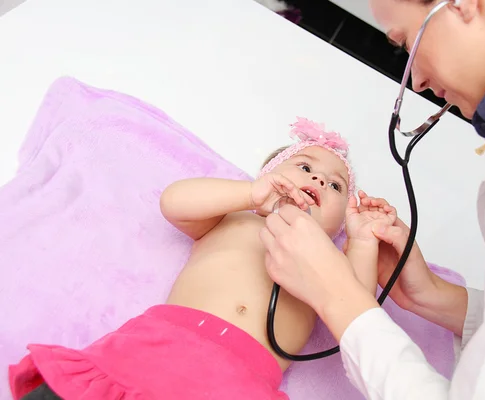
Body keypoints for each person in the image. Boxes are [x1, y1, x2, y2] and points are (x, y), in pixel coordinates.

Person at [258, 0, 485, 398]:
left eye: (406, 46)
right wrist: (437, 298)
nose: (416, 80)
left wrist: (338, 298)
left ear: (461, 4)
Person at [8, 117, 398, 400]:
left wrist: (362, 240)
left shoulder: (326, 262)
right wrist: (250, 196)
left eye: (335, 186)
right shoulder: (235, 215)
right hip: (161, 344)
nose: (318, 182)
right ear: (268, 175)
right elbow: (174, 202)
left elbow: (357, 309)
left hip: (239, 380)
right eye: (305, 167)